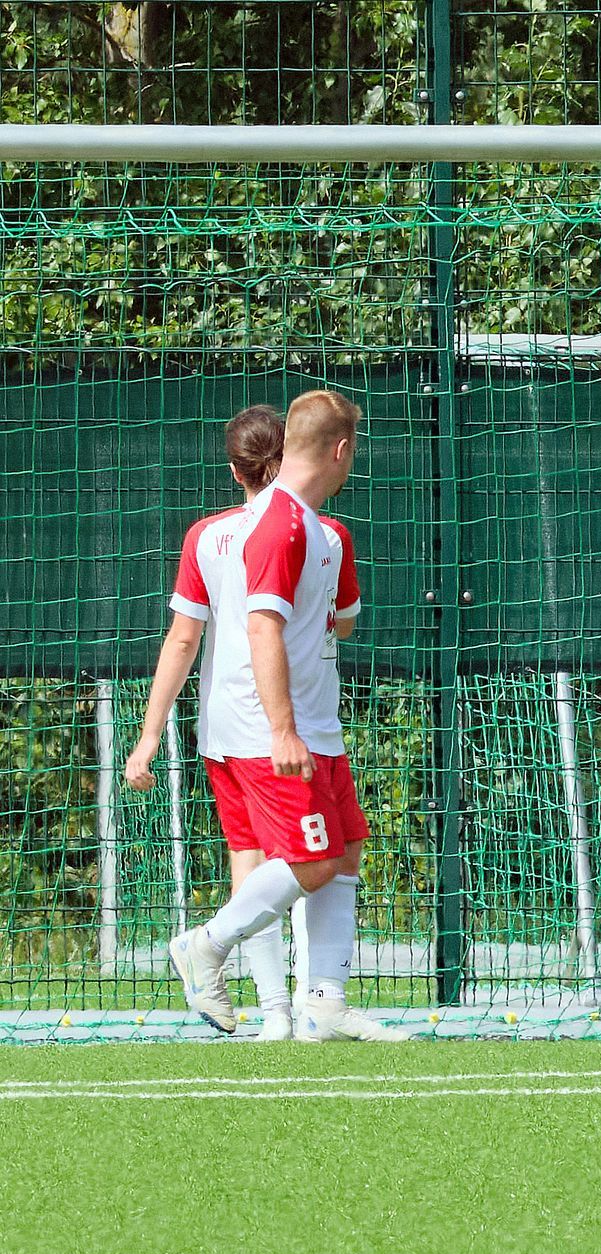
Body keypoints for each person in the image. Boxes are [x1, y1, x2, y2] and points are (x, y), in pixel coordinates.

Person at [165, 389, 405, 1042]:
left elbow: (332, 624)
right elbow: (262, 627)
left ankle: (324, 1002)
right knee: (313, 859)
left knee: (345, 847)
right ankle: (206, 945)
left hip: (317, 725)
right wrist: (281, 729)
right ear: (341, 450)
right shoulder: (280, 525)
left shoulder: (317, 528)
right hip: (270, 729)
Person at [125, 405, 359, 1040]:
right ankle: (220, 957)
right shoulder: (318, 533)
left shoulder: (209, 535)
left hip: (223, 726)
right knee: (311, 859)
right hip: (275, 723)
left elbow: (182, 640)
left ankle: (280, 1012)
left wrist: (150, 734)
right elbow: (335, 623)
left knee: (263, 863)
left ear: (234, 470)